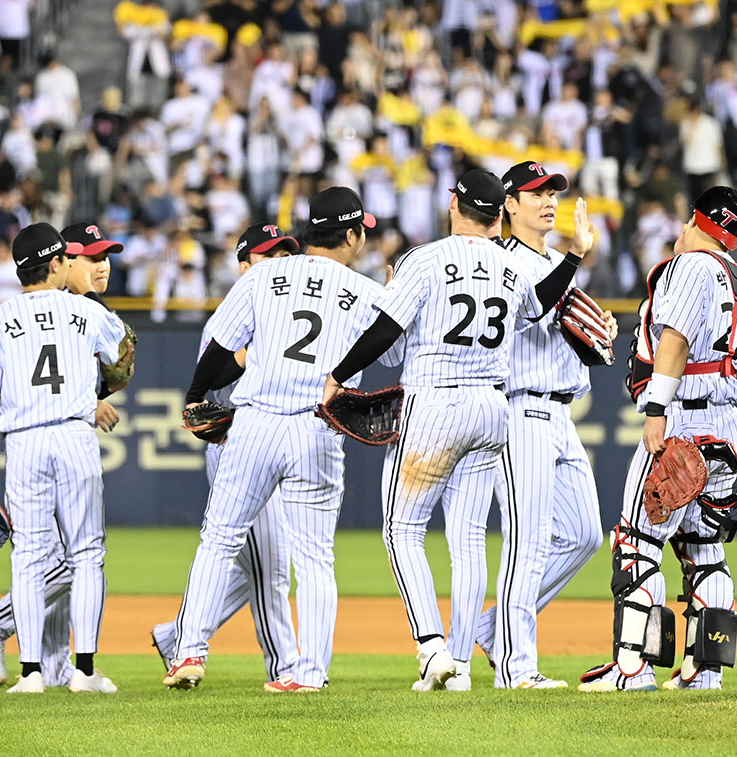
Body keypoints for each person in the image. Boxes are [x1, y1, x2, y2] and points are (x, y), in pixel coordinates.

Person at [321, 169, 594, 691]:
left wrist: (337, 376)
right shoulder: (511, 268)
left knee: (403, 530)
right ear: (499, 214)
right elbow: (540, 304)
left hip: (434, 403)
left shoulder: (424, 259)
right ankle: (464, 666)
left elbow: (385, 329)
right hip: (491, 408)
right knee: (469, 540)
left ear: (454, 205)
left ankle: (432, 649)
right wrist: (576, 258)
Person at [164, 188, 394, 692]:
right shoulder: (365, 291)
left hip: (255, 424)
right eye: (362, 233)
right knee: (313, 557)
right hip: (316, 427)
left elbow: (222, 343)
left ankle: (188, 654)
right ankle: (308, 675)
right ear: (352, 235)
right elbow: (395, 357)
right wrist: (394, 297)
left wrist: (195, 394)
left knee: (219, 538)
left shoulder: (263, 274)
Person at [578, 186, 737, 693]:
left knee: (637, 543)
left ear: (695, 219)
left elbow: (674, 342)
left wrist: (656, 409)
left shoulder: (689, 266)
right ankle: (705, 672)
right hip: (726, 426)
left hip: (681, 418)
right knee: (705, 549)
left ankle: (633, 668)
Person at [0, 223, 127, 694]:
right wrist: (91, 388)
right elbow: (122, 361)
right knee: (87, 554)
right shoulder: (86, 311)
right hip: (75, 436)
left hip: (25, 442)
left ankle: (31, 673)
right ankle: (85, 672)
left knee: (30, 558)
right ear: (57, 263)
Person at [470, 162, 612, 690]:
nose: (549, 200)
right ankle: (516, 667)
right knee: (526, 542)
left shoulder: (556, 260)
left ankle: (491, 630)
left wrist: (597, 333)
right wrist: (576, 258)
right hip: (519, 409)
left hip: (560, 411)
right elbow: (532, 311)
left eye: (553, 192)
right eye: (535, 193)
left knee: (582, 534)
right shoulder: (500, 261)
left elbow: (568, 326)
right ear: (508, 206)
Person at [149, 224, 302, 686]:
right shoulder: (231, 316)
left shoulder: (292, 312)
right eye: (266, 255)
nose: (278, 261)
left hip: (275, 441)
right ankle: (287, 667)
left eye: (284, 253)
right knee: (269, 565)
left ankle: (176, 635)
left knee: (261, 564)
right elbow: (212, 379)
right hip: (236, 444)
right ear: (244, 266)